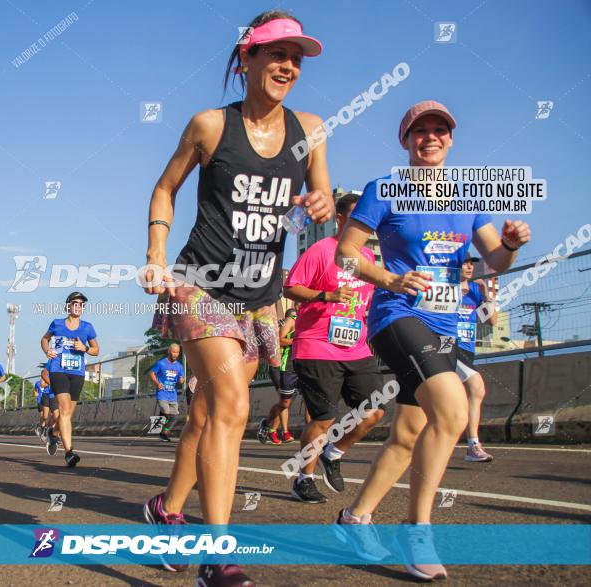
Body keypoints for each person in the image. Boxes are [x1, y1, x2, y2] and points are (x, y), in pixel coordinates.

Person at [141, 10, 333, 584]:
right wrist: (155, 256)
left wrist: (320, 202)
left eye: (296, 57)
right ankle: (216, 557)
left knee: (205, 413)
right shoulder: (209, 126)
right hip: (198, 286)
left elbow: (321, 189)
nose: (287, 66)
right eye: (276, 53)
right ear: (246, 57)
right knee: (233, 405)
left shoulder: (311, 130)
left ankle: (165, 511)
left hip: (261, 297)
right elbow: (165, 187)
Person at [335, 100, 530, 581]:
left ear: (451, 139)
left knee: (407, 435)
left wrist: (509, 244)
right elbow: (345, 254)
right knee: (453, 410)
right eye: (420, 131)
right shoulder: (385, 190)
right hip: (397, 315)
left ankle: (354, 518)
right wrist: (388, 279)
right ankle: (416, 530)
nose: (431, 137)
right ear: (405, 140)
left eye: (440, 130)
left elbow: (495, 263)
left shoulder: (467, 197)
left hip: (444, 327)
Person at [282, 192, 385, 503]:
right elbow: (290, 287)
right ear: (340, 219)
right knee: (324, 418)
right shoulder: (320, 251)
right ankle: (304, 478)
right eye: (357, 218)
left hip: (356, 347)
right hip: (316, 345)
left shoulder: (367, 259)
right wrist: (325, 296)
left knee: (374, 411)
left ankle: (334, 452)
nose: (364, 225)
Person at [40, 291, 99, 467]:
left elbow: (96, 350)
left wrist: (85, 348)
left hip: (77, 373)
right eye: (75, 303)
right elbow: (44, 339)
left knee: (67, 415)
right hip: (58, 370)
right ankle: (69, 453)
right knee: (64, 411)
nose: (78, 306)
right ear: (68, 306)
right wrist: (47, 350)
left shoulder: (87, 327)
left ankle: (53, 434)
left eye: (81, 304)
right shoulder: (57, 324)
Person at [457, 256, 496, 462]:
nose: (470, 267)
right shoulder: (446, 290)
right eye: (465, 263)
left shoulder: (474, 291)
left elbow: (491, 321)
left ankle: (419, 443)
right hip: (448, 348)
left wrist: (487, 296)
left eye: (472, 263)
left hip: (467, 351)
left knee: (447, 403)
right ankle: (473, 445)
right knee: (477, 387)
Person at [257, 307, 307, 445]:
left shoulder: (313, 320)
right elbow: (279, 340)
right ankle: (269, 425)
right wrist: (298, 341)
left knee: (310, 402)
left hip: (307, 366)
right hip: (286, 367)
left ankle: (310, 439)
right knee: (285, 402)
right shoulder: (290, 321)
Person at [149, 344, 186, 442]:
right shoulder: (161, 363)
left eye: (177, 352)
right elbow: (152, 373)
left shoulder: (179, 366)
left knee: (174, 414)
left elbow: (181, 378)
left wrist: (181, 380)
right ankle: (160, 430)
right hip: (162, 393)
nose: (175, 354)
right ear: (169, 352)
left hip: (172, 394)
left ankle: (162, 432)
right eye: (174, 352)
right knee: (166, 411)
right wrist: (157, 383)